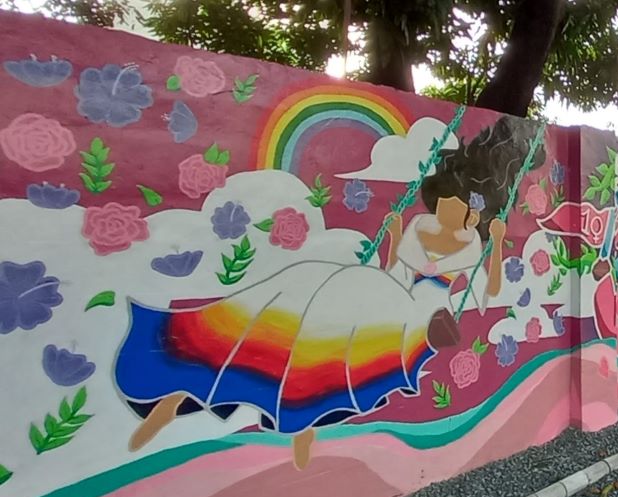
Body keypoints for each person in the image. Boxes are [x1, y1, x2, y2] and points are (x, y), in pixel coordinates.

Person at [113, 115, 544, 470]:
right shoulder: (419, 226)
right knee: (309, 283)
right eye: (444, 199)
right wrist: (392, 238)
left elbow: (488, 292)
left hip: (424, 312)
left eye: (459, 204)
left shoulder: (474, 244)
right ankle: (189, 374)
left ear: (475, 211)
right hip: (390, 289)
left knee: (332, 339)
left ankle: (300, 427)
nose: (447, 208)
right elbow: (391, 269)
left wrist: (499, 244)